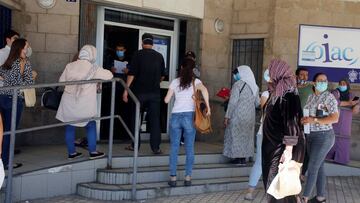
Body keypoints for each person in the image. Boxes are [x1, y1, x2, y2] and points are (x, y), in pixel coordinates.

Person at [56, 45, 113, 160]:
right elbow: (109, 75)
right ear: (92, 54)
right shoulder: (93, 68)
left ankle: (72, 153)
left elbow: (61, 81)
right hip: (84, 104)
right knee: (91, 125)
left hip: (69, 103)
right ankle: (92, 152)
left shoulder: (70, 65)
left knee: (70, 126)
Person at [262, 59, 305, 202]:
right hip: (273, 147)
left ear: (278, 72)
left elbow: (291, 121)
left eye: (270, 69)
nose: (268, 73)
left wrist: (288, 149)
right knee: (276, 188)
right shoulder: (277, 91)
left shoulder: (288, 94)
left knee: (278, 189)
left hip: (280, 149)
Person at [164, 58, 210, 187]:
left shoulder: (175, 82)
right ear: (193, 69)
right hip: (189, 117)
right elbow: (205, 90)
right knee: (189, 148)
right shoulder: (196, 82)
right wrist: (208, 106)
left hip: (175, 116)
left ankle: (173, 178)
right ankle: (188, 177)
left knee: (174, 147)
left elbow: (166, 100)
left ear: (181, 67)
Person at [123, 33, 166, 154]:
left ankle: (134, 145)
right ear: (152, 44)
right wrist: (154, 81)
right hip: (155, 94)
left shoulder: (137, 54)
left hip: (139, 94)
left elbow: (132, 74)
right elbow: (163, 76)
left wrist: (126, 91)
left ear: (142, 43)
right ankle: (156, 148)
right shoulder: (159, 56)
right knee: (154, 121)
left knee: (136, 119)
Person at [301, 73, 339, 203]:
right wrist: (305, 120)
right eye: (319, 80)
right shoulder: (311, 97)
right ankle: (320, 197)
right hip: (310, 136)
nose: (322, 82)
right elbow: (309, 115)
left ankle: (304, 198)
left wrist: (314, 120)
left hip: (324, 137)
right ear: (314, 83)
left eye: (324, 80)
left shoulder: (329, 98)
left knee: (312, 167)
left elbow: (335, 118)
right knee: (319, 166)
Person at [0, 38, 34, 169]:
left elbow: (2, 74)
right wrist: (33, 76)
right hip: (14, 100)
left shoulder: (8, 61)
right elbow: (28, 83)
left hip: (2, 97)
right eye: (26, 47)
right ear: (20, 48)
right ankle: (6, 163)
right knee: (10, 131)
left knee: (2, 131)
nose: (27, 50)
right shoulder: (24, 63)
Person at [223, 65, 259, 165]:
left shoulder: (238, 85)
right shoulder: (255, 86)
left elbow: (233, 102)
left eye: (236, 73)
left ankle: (236, 159)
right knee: (246, 138)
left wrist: (227, 116)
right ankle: (243, 159)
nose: (235, 76)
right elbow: (257, 103)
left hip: (237, 115)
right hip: (250, 117)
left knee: (235, 136)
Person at [244, 69, 270, 200]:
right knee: (260, 162)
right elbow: (264, 110)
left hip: (278, 135)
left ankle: (271, 193)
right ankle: (250, 190)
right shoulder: (266, 93)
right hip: (265, 133)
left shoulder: (287, 95)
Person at [326, 79, 359, 165]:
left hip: (346, 122)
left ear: (348, 85)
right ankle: (328, 157)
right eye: (340, 83)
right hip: (335, 120)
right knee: (332, 137)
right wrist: (349, 103)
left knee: (344, 139)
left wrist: (356, 105)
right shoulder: (335, 93)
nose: (342, 85)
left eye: (344, 84)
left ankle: (341, 159)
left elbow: (355, 110)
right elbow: (335, 102)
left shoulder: (351, 94)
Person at [295, 67, 313, 182]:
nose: (305, 77)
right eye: (302, 75)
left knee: (306, 149)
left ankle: (302, 173)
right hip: (292, 123)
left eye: (306, 75)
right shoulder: (291, 88)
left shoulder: (311, 87)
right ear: (297, 76)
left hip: (306, 123)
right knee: (292, 147)